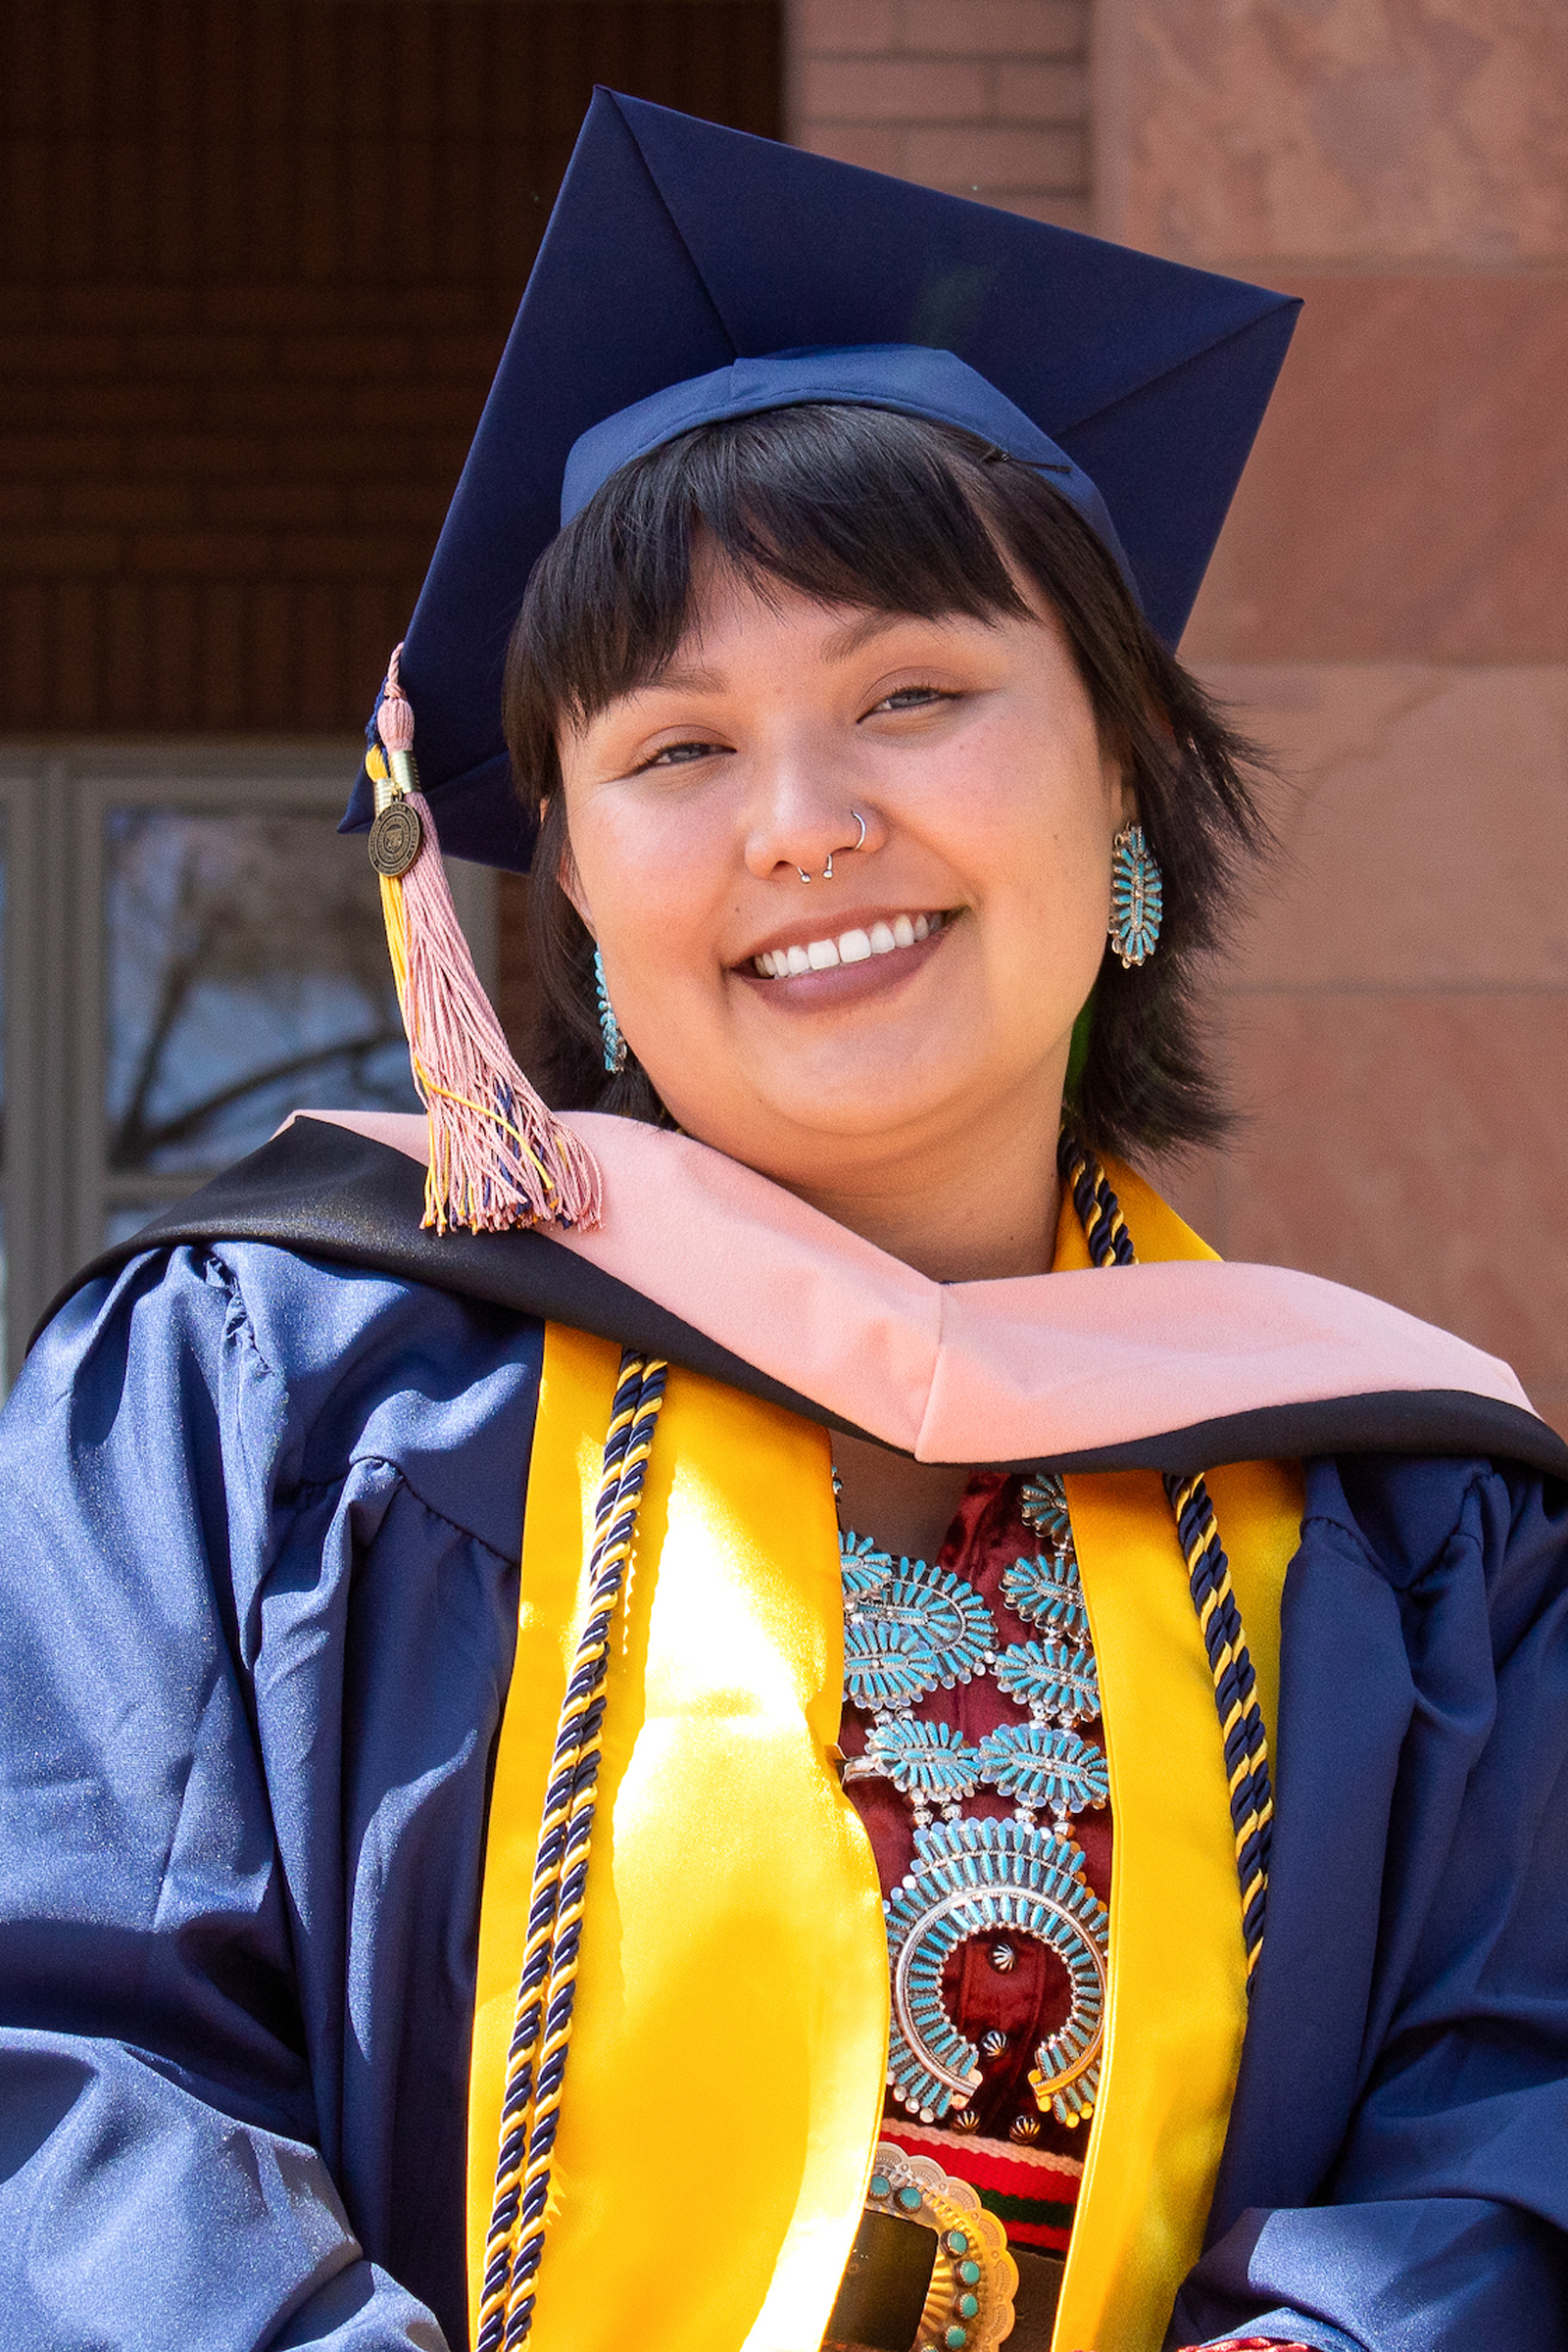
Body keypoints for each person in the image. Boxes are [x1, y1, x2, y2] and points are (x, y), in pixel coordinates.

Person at [1, 90, 1564, 2352]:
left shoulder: (1415, 1521)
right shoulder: (251, 1397)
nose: (804, 824)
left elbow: (1505, 2127)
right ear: (573, 876)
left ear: (1121, 772)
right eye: (673, 751)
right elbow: (60, 2063)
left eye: (910, 697)